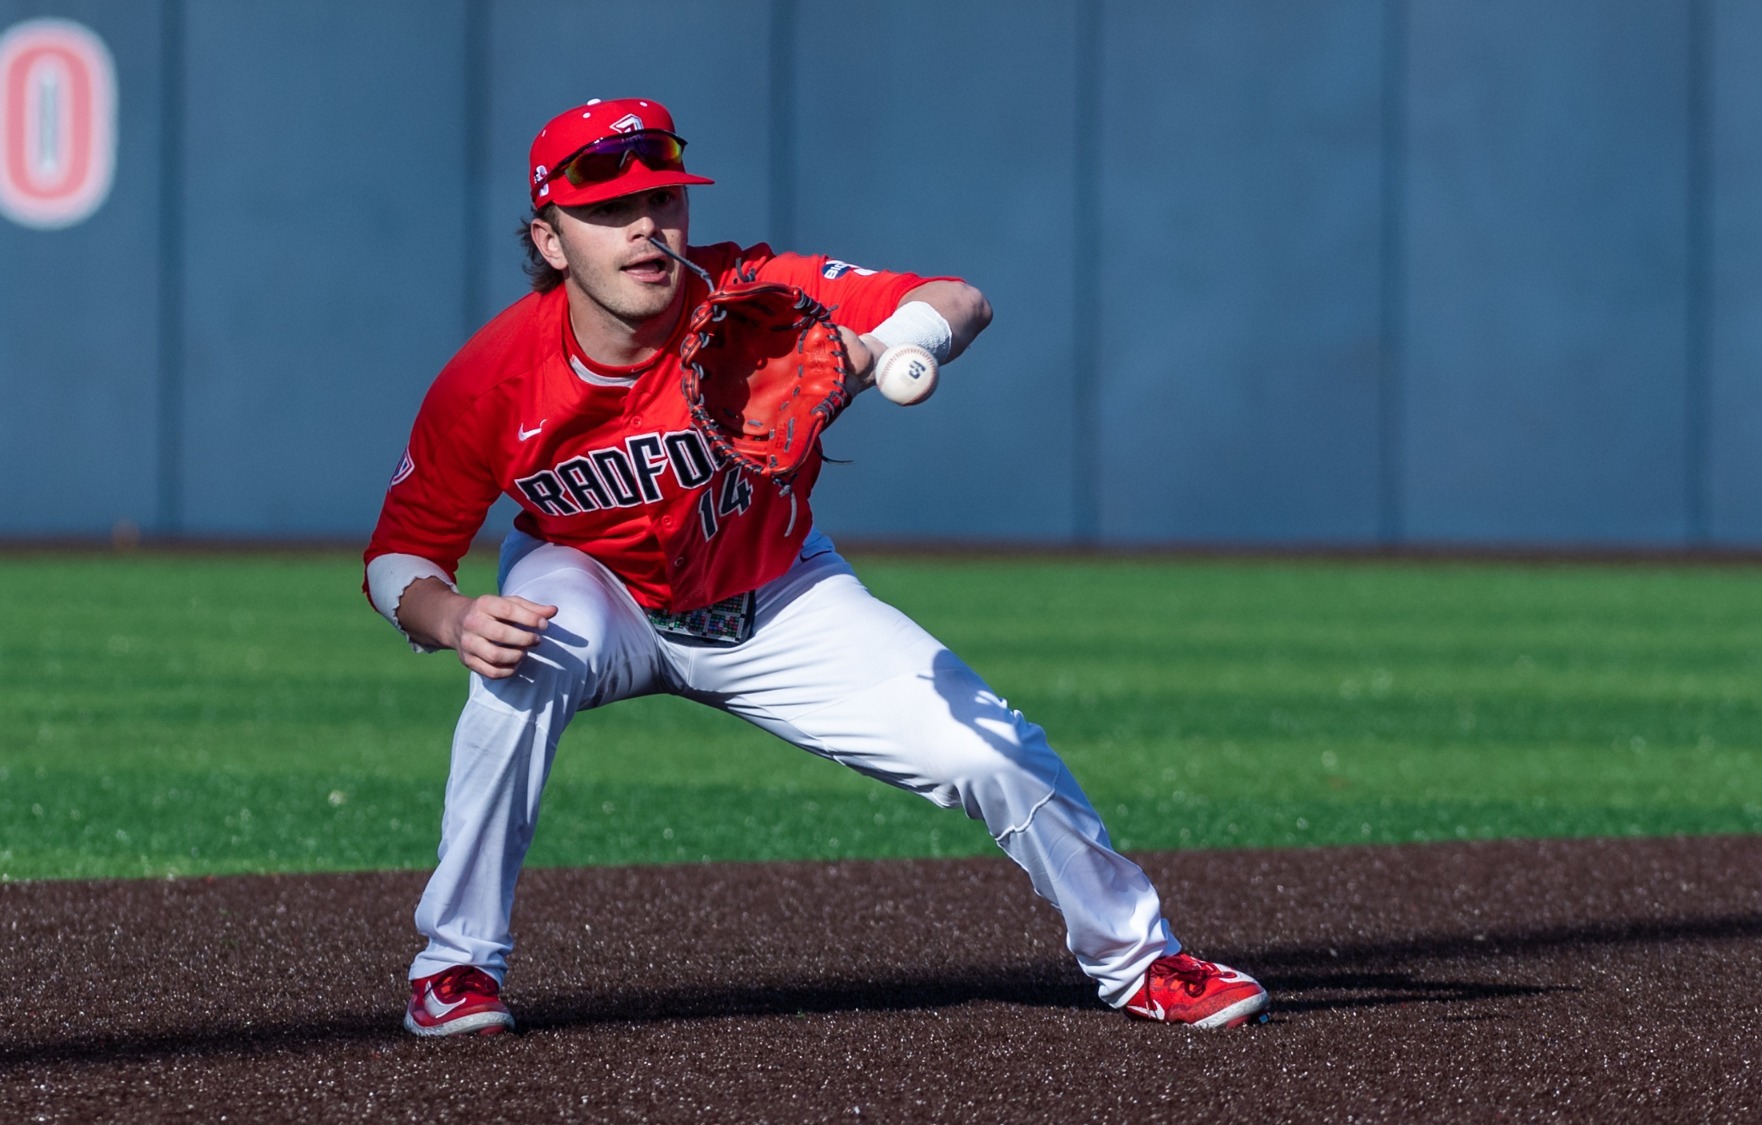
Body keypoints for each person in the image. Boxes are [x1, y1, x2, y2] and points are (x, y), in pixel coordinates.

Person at [362, 97, 1268, 1037]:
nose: (644, 226)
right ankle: (454, 965)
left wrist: (896, 344)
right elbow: (398, 555)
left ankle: (1141, 959)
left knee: (990, 748)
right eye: (607, 211)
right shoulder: (492, 380)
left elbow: (961, 298)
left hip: (775, 591)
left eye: (663, 200)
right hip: (593, 585)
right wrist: (454, 619)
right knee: (519, 664)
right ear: (550, 241)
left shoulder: (756, 295)